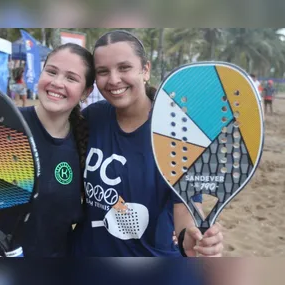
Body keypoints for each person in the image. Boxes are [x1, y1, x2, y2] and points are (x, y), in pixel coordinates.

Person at [71, 30, 223, 257]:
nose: (113, 80)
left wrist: (190, 235)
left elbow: (185, 207)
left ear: (145, 70)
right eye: (103, 71)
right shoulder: (93, 117)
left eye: (124, 68)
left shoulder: (177, 131)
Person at [0, 43, 94, 257]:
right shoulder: (4, 124)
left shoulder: (85, 140)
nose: (57, 82)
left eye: (71, 78)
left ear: (86, 92)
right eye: (51, 71)